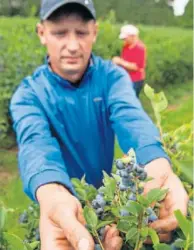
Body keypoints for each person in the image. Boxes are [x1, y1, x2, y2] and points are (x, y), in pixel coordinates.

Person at [9, 0, 188, 250]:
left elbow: (131, 116)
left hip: (104, 197)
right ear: (41, 33)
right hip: (59, 203)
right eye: (59, 32)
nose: (72, 45)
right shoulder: (29, 95)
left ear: (95, 32)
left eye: (81, 32)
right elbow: (35, 145)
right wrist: (51, 192)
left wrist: (155, 161)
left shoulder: (112, 78)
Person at [112, 24, 146, 97]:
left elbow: (135, 67)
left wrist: (120, 62)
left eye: (125, 38)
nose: (124, 40)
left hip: (135, 80)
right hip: (126, 77)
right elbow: (125, 60)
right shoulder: (126, 46)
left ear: (132, 36)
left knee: (130, 99)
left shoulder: (139, 48)